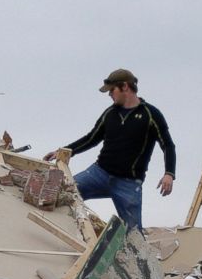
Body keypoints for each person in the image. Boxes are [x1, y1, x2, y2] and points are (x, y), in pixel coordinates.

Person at [50, 68, 176, 231]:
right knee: (64, 192)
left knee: (134, 235)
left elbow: (168, 145)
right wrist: (65, 150)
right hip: (99, 174)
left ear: (125, 87)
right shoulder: (110, 114)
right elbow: (91, 138)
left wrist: (169, 173)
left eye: (112, 90)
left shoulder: (150, 115)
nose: (110, 95)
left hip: (129, 184)